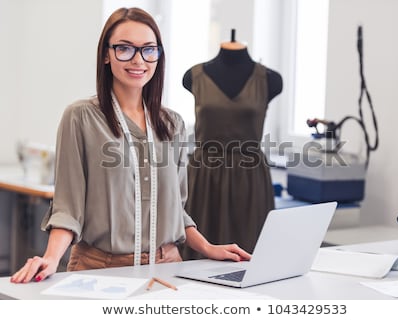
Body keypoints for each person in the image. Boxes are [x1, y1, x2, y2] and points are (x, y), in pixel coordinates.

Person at [10, 7, 250, 284]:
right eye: (125, 49)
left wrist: (207, 247)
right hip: (100, 269)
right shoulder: (80, 117)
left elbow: (175, 211)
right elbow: (68, 209)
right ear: (106, 54)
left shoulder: (173, 123)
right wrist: (50, 258)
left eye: (149, 50)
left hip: (167, 267)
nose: (138, 60)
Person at [181, 34, 282, 260]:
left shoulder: (270, 79)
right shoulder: (193, 76)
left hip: (249, 177)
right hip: (205, 174)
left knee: (251, 248)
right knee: (200, 246)